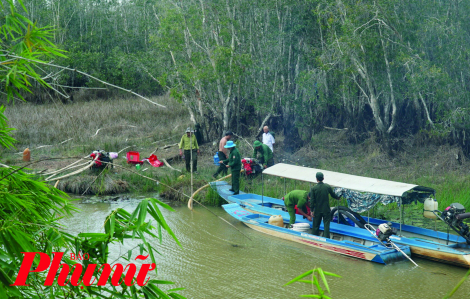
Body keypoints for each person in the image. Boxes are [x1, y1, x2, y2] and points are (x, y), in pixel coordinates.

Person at [309, 172, 341, 238]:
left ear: (316, 179)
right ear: (323, 178)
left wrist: (312, 210)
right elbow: (333, 195)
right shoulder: (327, 186)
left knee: (316, 225)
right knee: (326, 225)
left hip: (317, 210)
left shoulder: (314, 188)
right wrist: (338, 197)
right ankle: (327, 238)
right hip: (326, 209)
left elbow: (312, 201)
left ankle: (314, 238)